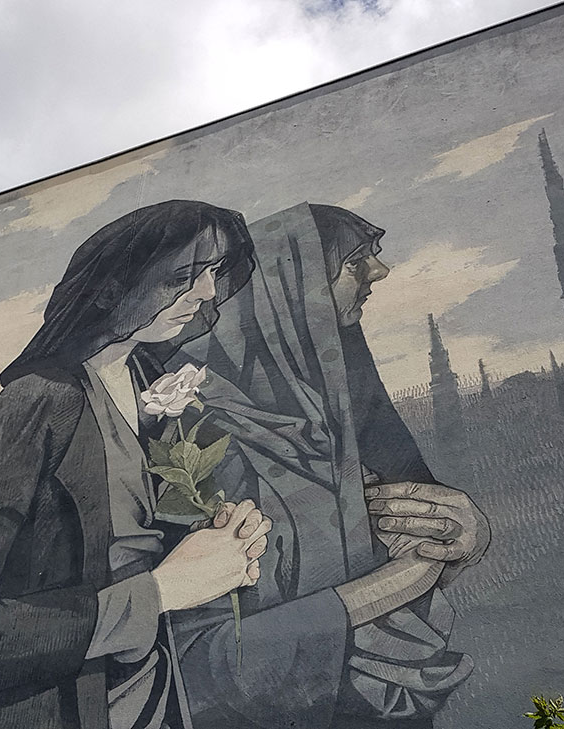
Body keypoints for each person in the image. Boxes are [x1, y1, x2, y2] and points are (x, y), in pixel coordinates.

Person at [0, 200, 272, 729]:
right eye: (183, 275)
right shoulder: (39, 401)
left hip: (149, 695)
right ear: (111, 289)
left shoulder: (154, 389)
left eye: (213, 272)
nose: (207, 292)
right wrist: (162, 591)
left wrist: (218, 544)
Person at [170, 203, 489, 728]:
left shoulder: (335, 400)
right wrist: (396, 584)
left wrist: (461, 531)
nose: (380, 271)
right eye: (354, 261)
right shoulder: (189, 428)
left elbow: (415, 514)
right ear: (286, 286)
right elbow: (204, 648)